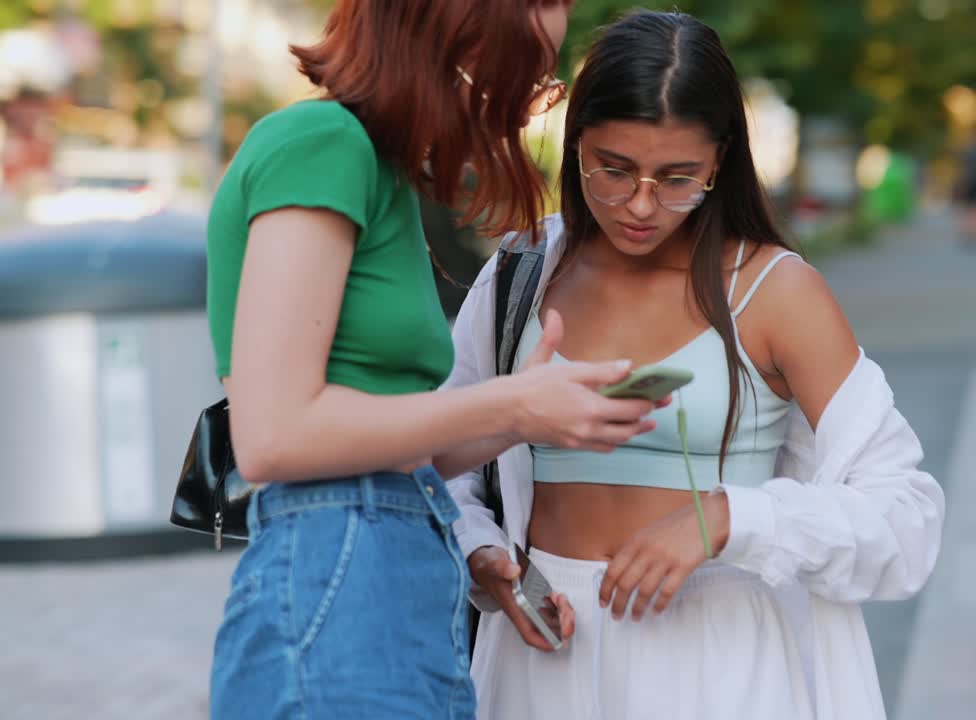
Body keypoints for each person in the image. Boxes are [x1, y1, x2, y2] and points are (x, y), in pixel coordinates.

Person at [445, 11, 945, 720]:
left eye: (677, 178)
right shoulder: (520, 273)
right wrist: (480, 550)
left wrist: (732, 518)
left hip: (717, 664)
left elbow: (907, 519)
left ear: (721, 161)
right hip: (541, 654)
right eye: (612, 170)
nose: (641, 205)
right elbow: (444, 457)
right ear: (575, 139)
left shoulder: (775, 291)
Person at [205, 2, 667, 718]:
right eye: (527, 77)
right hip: (341, 579)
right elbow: (273, 435)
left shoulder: (376, 172)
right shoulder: (323, 141)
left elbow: (386, 442)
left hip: (395, 581)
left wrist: (530, 412)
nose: (525, 109)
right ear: (452, 47)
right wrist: (510, 404)